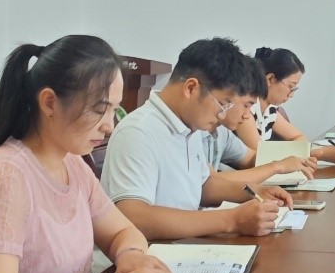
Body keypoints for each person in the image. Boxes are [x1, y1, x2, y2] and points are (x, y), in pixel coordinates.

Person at [0, 35, 180, 273]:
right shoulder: (2, 175)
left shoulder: (73, 164)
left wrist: (131, 256)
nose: (109, 126)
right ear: (49, 103)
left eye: (114, 110)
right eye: (99, 109)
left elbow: (122, 232)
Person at [104, 37, 292, 240]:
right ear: (191, 88)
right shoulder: (139, 132)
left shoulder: (190, 127)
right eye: (222, 104)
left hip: (182, 243)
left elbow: (203, 185)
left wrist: (254, 192)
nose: (222, 115)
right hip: (148, 252)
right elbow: (133, 217)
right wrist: (231, 220)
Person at [230, 46, 335, 164]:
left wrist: (294, 152)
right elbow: (261, 156)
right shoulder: (245, 112)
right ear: (270, 79)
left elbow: (300, 137)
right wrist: (319, 153)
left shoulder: (270, 110)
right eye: (290, 87)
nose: (291, 95)